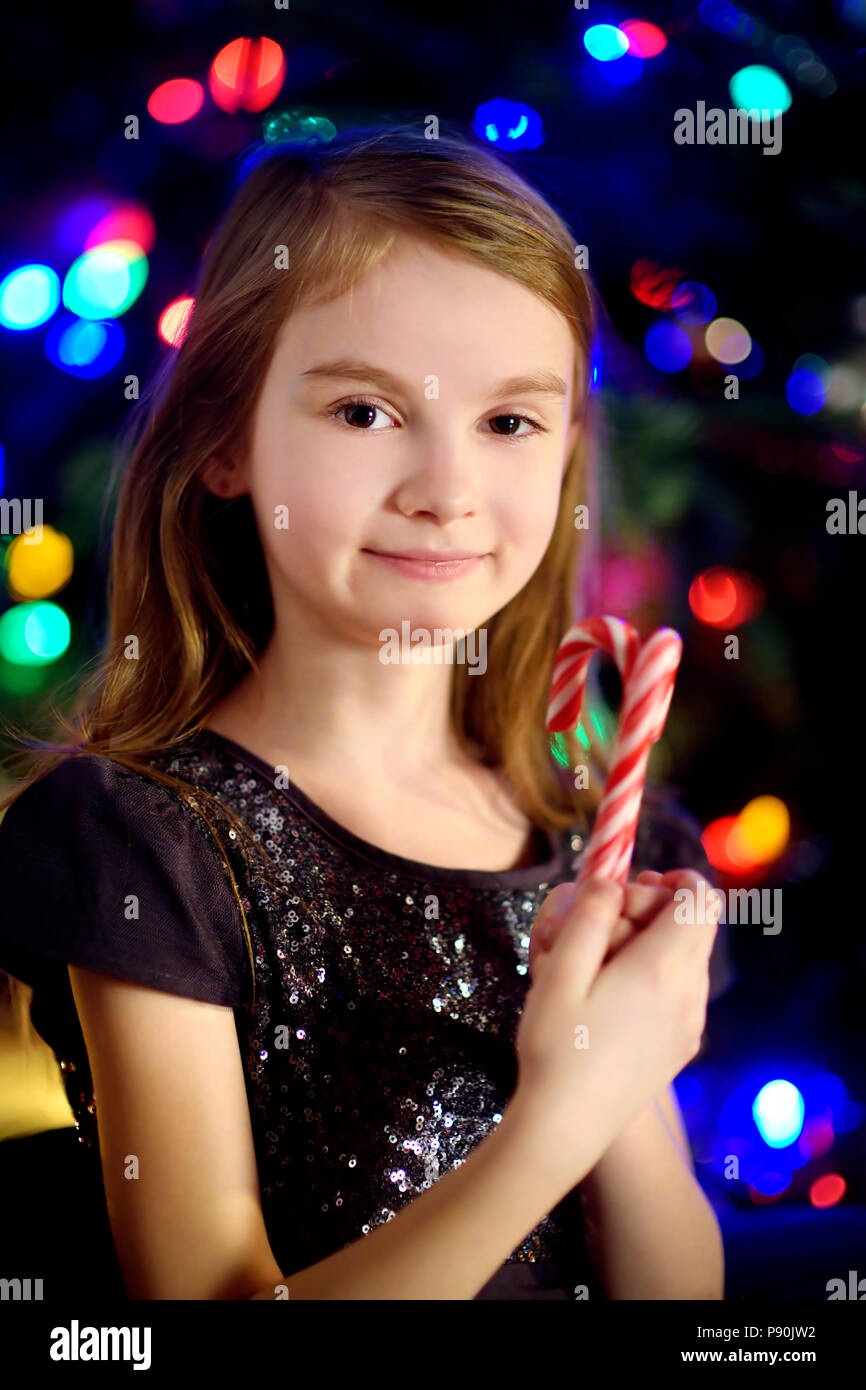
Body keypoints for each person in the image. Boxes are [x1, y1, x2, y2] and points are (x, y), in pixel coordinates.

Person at [0, 124, 729, 1301]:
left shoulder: (596, 835)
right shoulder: (146, 842)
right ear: (225, 440)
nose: (446, 493)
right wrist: (561, 1111)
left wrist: (624, 1087)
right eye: (363, 412)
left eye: (507, 422)